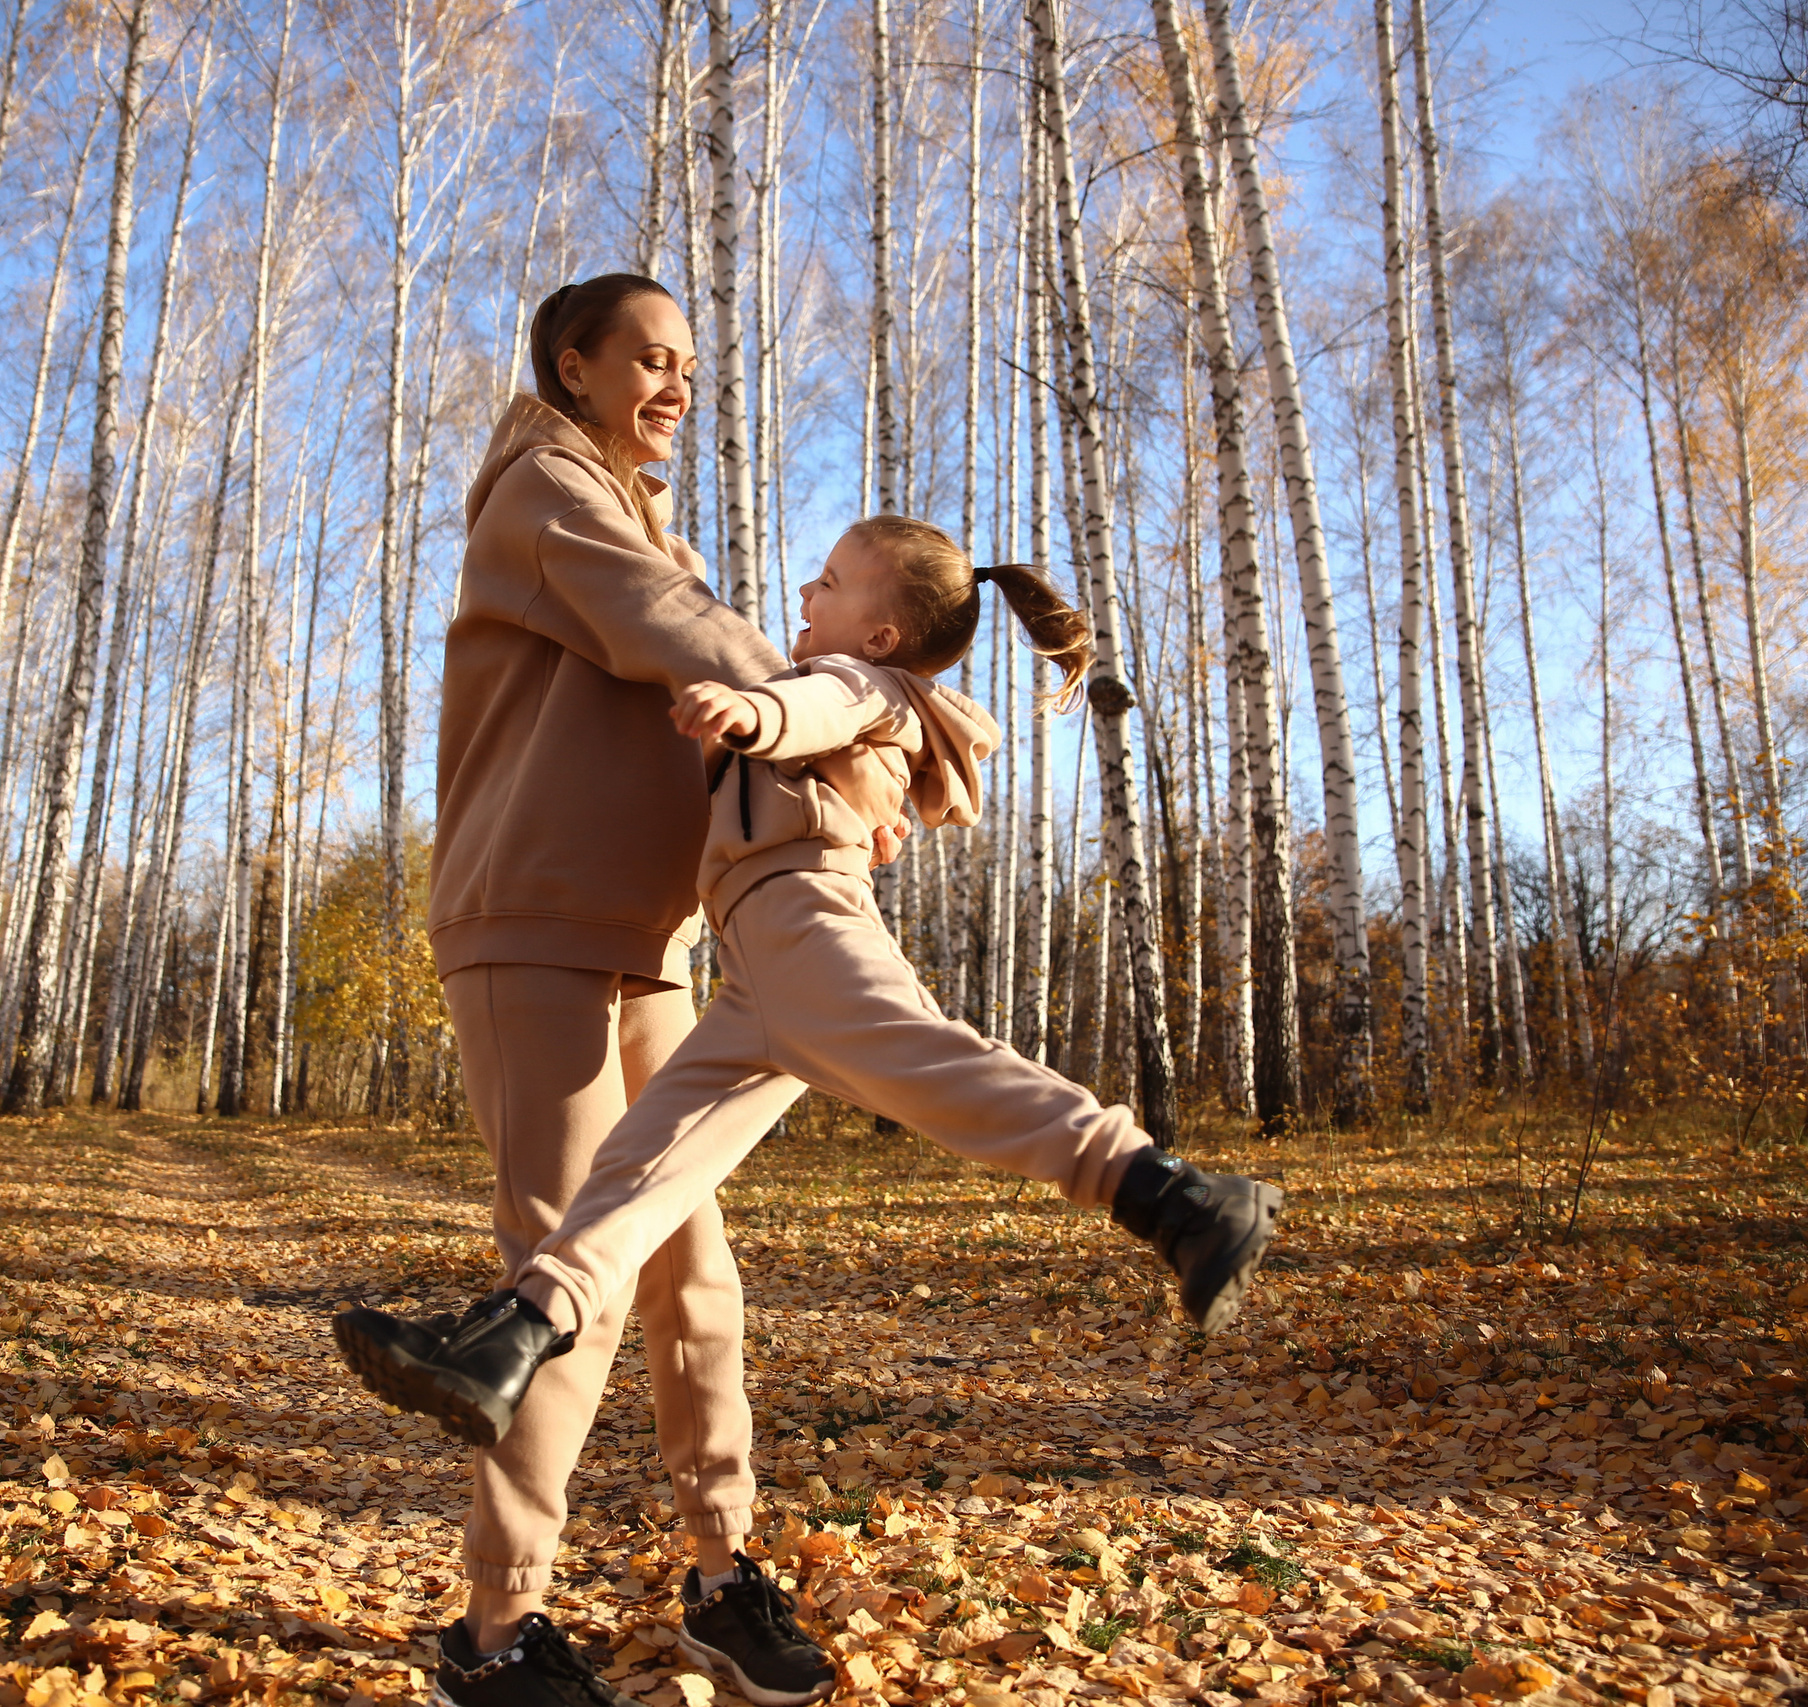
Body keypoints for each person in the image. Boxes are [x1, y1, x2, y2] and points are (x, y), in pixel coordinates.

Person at [338, 513, 1283, 1480]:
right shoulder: (863, 685)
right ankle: (513, 1337)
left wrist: (753, 714)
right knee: (641, 1168)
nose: (805, 591)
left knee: (931, 1064)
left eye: (829, 581)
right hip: (758, 972)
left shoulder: (866, 683)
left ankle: (1173, 1194)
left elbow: (821, 704)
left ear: (880, 633)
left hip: (807, 925)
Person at [393, 272, 895, 1707]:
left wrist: (822, 732)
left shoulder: (634, 510)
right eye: (652, 359)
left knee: (691, 1274)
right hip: (532, 922)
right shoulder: (546, 492)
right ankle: (494, 1633)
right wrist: (848, 712)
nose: (678, 385)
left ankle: (722, 1574)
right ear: (576, 365)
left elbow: (700, 669)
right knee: (570, 1281)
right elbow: (671, 627)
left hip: (646, 937)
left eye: (689, 365)